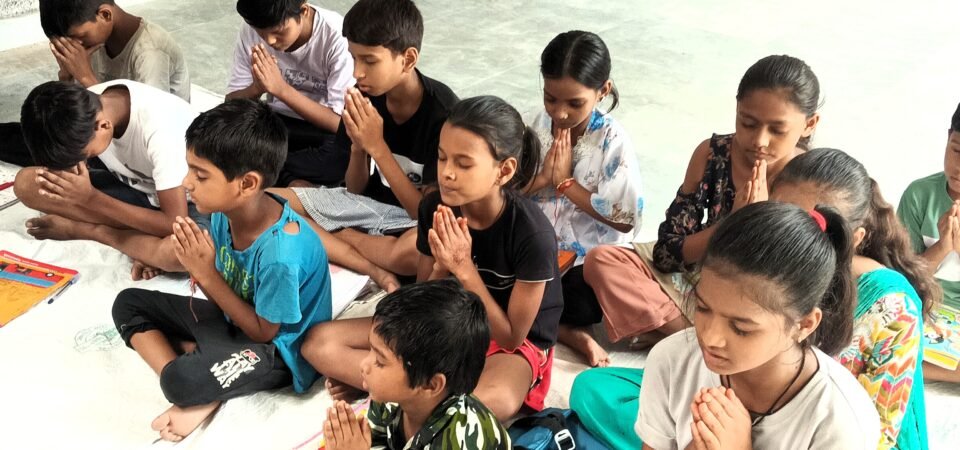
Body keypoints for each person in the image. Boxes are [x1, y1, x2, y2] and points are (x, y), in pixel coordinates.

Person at [304, 96, 562, 421]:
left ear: (504, 170)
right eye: (442, 159)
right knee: (319, 343)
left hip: (510, 344)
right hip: (449, 323)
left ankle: (391, 387)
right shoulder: (435, 208)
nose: (447, 174)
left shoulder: (531, 234)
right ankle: (404, 388)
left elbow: (512, 336)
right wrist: (441, 266)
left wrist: (465, 269)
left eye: (464, 164)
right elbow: (422, 303)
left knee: (490, 401)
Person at [111, 99, 333, 442]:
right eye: (189, 169)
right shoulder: (221, 213)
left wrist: (207, 274)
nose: (186, 183)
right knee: (127, 303)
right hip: (230, 319)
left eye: (200, 175)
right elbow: (218, 280)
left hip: (276, 351)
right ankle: (208, 372)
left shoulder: (280, 254)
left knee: (178, 383)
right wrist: (195, 264)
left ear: (246, 184)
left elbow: (263, 332)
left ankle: (201, 391)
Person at [573, 202, 880, 449]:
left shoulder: (840, 420)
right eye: (703, 308)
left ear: (804, 324)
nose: (709, 337)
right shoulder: (673, 358)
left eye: (741, 328)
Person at [578, 54, 822, 365]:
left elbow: (795, 284)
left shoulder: (809, 181)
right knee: (603, 260)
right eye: (747, 123)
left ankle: (683, 340)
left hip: (758, 303)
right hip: (698, 279)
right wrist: (730, 224)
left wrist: (756, 224)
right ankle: (699, 340)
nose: (759, 140)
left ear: (809, 125)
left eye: (777, 130)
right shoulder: (712, 154)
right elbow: (668, 254)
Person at [270, 0, 459, 276]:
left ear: (407, 59)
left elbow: (424, 214)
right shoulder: (363, 96)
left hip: (408, 222)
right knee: (268, 201)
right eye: (354, 58)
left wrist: (378, 148)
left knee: (416, 252)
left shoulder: (444, 117)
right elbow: (355, 190)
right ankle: (339, 236)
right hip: (365, 207)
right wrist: (359, 148)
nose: (357, 72)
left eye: (369, 60)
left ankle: (336, 236)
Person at [771, 148, 936, 449]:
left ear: (855, 239)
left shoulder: (890, 307)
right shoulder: (761, 267)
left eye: (813, 229)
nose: (790, 241)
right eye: (780, 220)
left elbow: (877, 436)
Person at [524, 30, 642, 367]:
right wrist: (544, 178)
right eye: (551, 99)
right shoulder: (536, 124)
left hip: (581, 265)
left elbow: (625, 216)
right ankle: (570, 333)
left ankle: (570, 328)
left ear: (602, 91)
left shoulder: (612, 140)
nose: (559, 113)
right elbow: (505, 187)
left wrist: (565, 185)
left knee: (583, 298)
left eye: (574, 103)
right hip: (536, 250)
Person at [13, 79, 201, 280]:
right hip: (138, 191)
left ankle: (97, 232)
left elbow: (173, 222)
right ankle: (143, 246)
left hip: (189, 205)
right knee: (26, 183)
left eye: (83, 155)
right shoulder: (87, 105)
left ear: (103, 126)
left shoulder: (162, 132)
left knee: (184, 254)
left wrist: (90, 200)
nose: (81, 163)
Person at [322, 279, 510, 450]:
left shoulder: (459, 442)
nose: (364, 364)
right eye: (370, 350)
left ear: (430, 384)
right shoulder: (388, 398)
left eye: (380, 362)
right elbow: (378, 440)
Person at [0, 0, 190, 168]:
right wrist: (67, 77)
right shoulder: (95, 39)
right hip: (102, 136)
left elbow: (148, 126)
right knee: (41, 133)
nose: (76, 46)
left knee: (60, 156)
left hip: (138, 150)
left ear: (105, 14)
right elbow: (78, 112)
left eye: (79, 38)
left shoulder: (151, 52)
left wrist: (85, 76)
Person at [226, 0, 354, 186]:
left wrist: (281, 90)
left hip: (320, 129)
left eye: (279, 32)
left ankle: (267, 169)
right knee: (219, 133)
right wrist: (257, 87)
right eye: (261, 34)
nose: (270, 40)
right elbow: (230, 103)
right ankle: (290, 179)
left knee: (343, 158)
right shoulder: (252, 25)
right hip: (275, 121)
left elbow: (338, 124)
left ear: (304, 11)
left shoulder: (336, 36)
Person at [898, 101, 960, 383]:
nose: (959, 166)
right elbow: (902, 278)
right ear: (948, 139)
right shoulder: (919, 195)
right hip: (926, 308)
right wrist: (943, 246)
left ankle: (916, 367)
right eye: (956, 150)